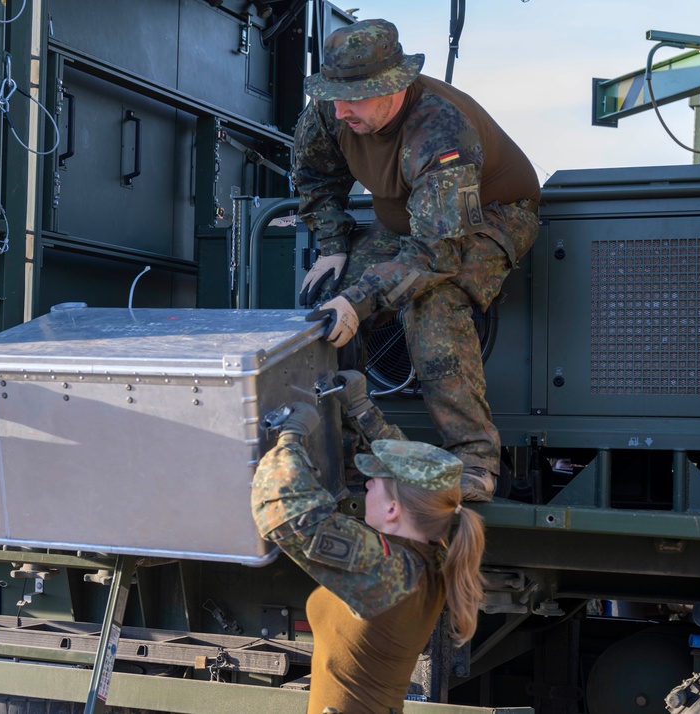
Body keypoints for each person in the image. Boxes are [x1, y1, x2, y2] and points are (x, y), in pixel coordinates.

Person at [294, 19, 541, 501]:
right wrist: (334, 245)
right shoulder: (332, 109)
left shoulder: (441, 127)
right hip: (406, 220)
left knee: (434, 300)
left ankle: (474, 460)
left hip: (492, 215)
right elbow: (313, 175)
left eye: (356, 96)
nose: (341, 110)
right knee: (328, 309)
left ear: (393, 87)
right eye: (334, 95)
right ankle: (346, 451)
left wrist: (360, 298)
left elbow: (435, 255)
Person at [251, 395, 486, 714]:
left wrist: (290, 437)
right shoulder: (429, 559)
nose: (368, 485)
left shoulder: (390, 570)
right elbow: (419, 473)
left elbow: (283, 512)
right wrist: (363, 409)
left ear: (393, 509)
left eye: (375, 482)